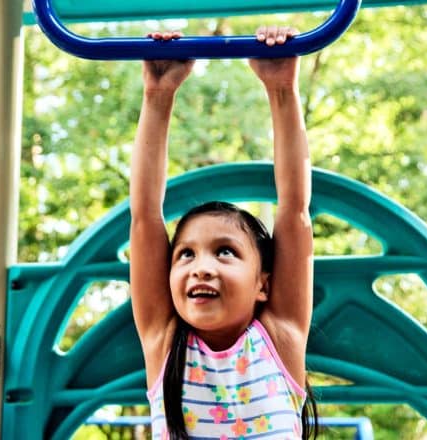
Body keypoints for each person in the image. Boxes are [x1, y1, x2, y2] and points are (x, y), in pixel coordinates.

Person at [129, 26, 316, 439]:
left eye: (225, 252)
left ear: (263, 283)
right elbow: (144, 215)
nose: (201, 267)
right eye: (186, 254)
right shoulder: (164, 343)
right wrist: (157, 95)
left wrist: (282, 89)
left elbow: (295, 210)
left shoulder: (279, 340)